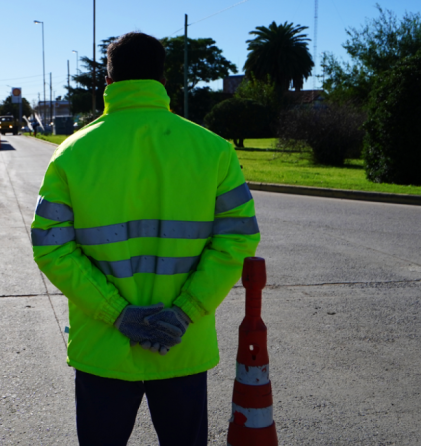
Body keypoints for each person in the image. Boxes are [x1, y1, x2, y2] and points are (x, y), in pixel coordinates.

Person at [31, 32, 260, 445]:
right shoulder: (214, 150)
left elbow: (52, 247)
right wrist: (185, 311)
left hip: (104, 348)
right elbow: (238, 240)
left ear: (108, 81)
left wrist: (118, 313)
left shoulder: (70, 153)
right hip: (181, 346)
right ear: (163, 80)